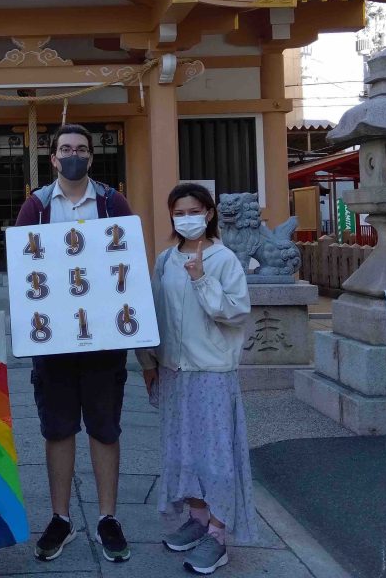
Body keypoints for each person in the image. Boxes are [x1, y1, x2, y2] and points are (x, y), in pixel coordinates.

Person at [15, 123, 134, 563]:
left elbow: (129, 263)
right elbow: (25, 272)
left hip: (104, 338)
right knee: (58, 428)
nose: (73, 155)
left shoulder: (111, 203)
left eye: (81, 149)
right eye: (65, 149)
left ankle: (108, 517)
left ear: (91, 156)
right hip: (55, 342)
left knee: (105, 428)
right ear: (52, 158)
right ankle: (61, 517)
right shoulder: (37, 207)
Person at [136, 182, 256, 575]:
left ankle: (219, 534)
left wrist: (202, 279)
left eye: (194, 210)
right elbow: (153, 312)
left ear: (208, 214)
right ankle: (198, 517)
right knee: (182, 451)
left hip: (212, 372)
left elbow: (236, 312)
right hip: (174, 370)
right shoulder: (166, 260)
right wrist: (148, 361)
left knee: (217, 455)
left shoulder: (224, 259)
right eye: (179, 211)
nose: (186, 218)